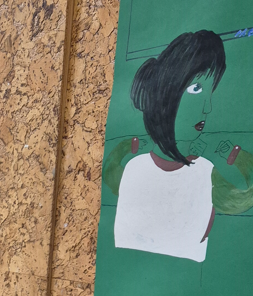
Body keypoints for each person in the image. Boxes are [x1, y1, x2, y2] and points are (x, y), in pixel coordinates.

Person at [103, 30, 253, 263]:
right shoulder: (203, 172)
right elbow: (243, 198)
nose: (207, 108)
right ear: (165, 93)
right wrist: (237, 156)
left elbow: (111, 173)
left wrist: (126, 147)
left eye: (209, 91)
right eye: (196, 89)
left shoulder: (134, 168)